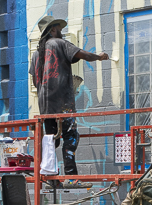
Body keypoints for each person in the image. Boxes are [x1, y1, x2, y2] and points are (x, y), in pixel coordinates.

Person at [30, 15, 109, 180]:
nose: (61, 31)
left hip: (45, 108)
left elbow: (35, 81)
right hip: (63, 104)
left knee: (51, 141)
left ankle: (50, 175)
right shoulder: (59, 43)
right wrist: (99, 56)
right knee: (71, 136)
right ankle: (71, 178)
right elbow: (84, 55)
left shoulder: (36, 54)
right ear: (52, 29)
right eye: (59, 28)